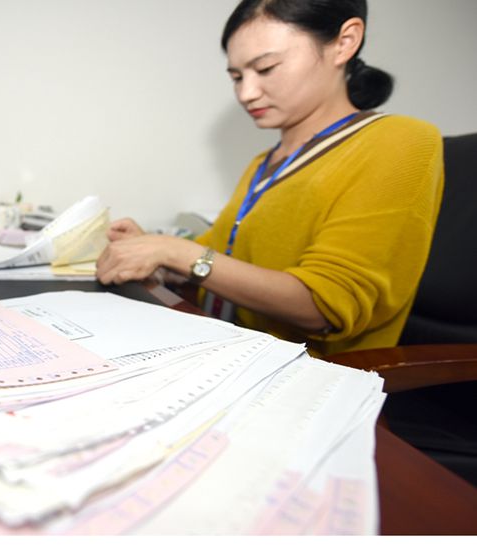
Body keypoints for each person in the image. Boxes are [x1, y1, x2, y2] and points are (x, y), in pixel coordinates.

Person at [95, 0, 444, 357]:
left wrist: (176, 251)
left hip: (308, 370)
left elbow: (325, 306)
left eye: (266, 68)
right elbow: (218, 253)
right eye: (237, 77)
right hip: (229, 351)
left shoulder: (401, 140)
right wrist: (153, 251)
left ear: (345, 42)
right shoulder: (264, 162)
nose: (246, 93)